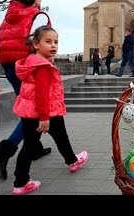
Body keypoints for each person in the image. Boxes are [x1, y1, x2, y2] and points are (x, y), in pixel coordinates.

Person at [11, 26, 88, 195]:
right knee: (59, 139)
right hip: (46, 113)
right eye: (48, 41)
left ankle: (19, 184)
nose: (53, 45)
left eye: (56, 42)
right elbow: (42, 95)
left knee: (29, 146)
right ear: (36, 44)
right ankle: (71, 161)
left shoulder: (31, 61)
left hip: (31, 113)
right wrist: (44, 118)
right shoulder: (42, 67)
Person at [0, 0, 52, 181]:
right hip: (28, 69)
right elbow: (37, 43)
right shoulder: (37, 15)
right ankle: (5, 149)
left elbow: (3, 51)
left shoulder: (7, 20)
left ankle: (34, 148)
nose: (41, 0)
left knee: (29, 110)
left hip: (11, 69)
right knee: (33, 113)